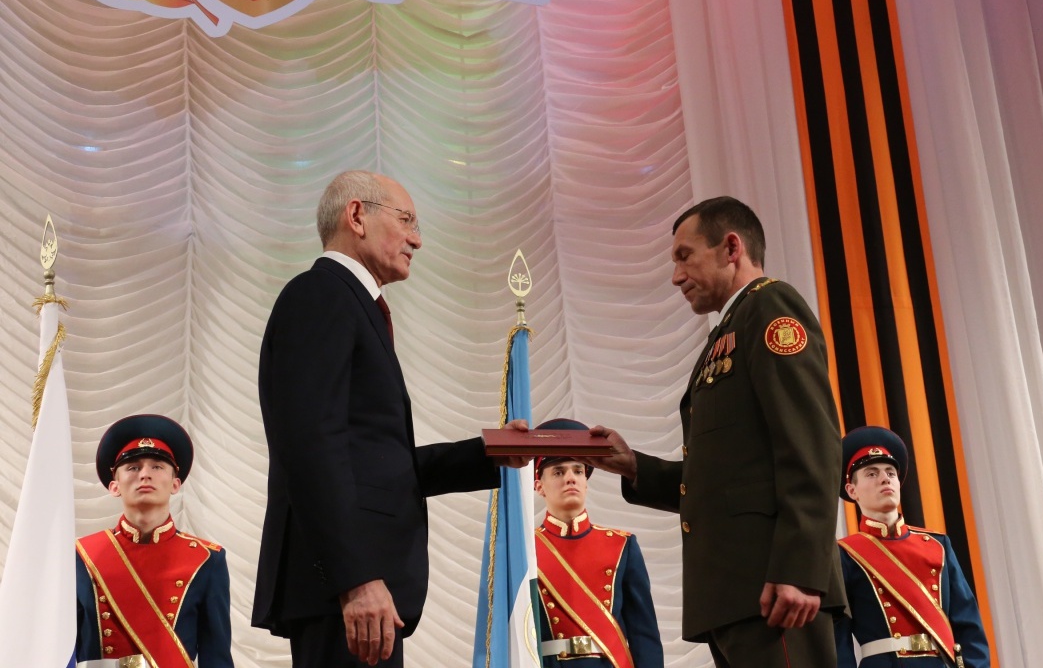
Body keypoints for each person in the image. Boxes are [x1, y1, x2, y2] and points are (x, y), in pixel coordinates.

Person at [251, 170, 528, 668]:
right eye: (406, 220)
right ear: (357, 216)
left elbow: (374, 464)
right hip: (348, 591)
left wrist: (489, 453)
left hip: (363, 589)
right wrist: (355, 579)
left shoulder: (351, 303)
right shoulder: (320, 294)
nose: (417, 240)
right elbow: (311, 446)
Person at [587, 196, 845, 667]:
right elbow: (725, 479)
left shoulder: (770, 307)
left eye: (685, 256)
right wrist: (634, 466)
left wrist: (801, 569)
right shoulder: (729, 329)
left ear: (731, 248)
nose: (676, 276)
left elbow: (812, 444)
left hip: (776, 588)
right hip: (738, 596)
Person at [75, 414, 233, 667]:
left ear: (175, 484)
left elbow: (217, 656)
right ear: (114, 486)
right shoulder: (82, 554)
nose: (145, 475)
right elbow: (62, 644)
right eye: (133, 467)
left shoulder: (207, 559)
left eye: (157, 467)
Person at [834, 426, 989, 667]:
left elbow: (968, 625)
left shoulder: (938, 545)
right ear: (851, 490)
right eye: (872, 474)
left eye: (890, 473)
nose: (885, 478)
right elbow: (838, 636)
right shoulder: (844, 554)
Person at [531, 419, 662, 668]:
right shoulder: (527, 549)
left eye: (578, 471)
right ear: (539, 486)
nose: (570, 478)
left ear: (586, 482)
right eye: (558, 472)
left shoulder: (622, 545)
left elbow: (643, 634)